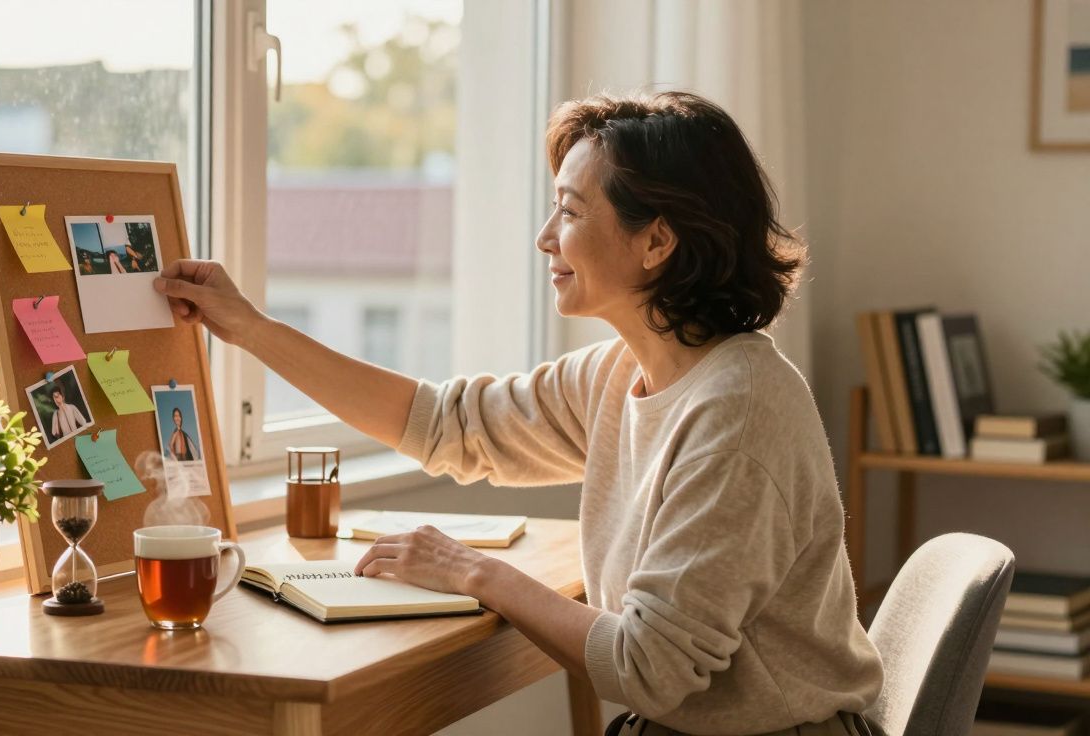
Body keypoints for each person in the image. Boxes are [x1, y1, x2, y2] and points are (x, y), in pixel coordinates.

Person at [152, 92, 882, 735]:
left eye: (569, 211)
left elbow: (649, 669)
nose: (544, 238)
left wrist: (476, 572)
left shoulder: (739, 413)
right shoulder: (622, 371)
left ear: (657, 240)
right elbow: (445, 423)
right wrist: (249, 328)